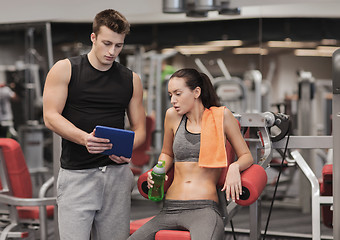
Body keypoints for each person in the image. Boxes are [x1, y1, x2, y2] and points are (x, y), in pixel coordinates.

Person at [43, 9, 146, 240]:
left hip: (117, 177)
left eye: (118, 46)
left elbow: (140, 130)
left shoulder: (131, 79)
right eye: (107, 43)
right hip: (78, 176)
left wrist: (128, 151)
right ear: (93, 38)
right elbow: (50, 116)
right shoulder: (65, 69)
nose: (112, 52)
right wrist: (84, 139)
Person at [128, 68, 253, 240]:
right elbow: (167, 153)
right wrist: (158, 169)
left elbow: (247, 156)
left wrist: (234, 166)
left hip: (203, 209)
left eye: (178, 94)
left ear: (196, 92)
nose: (173, 100)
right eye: (170, 95)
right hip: (170, 207)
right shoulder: (172, 116)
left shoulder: (222, 116)